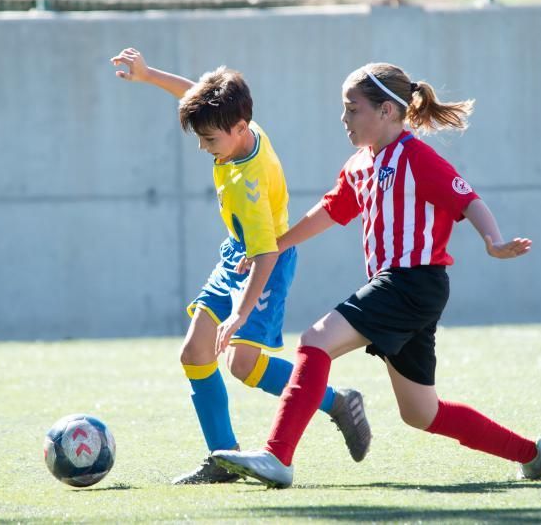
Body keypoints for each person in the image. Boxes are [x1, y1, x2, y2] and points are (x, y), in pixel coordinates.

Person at [212, 62, 541, 488]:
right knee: (421, 412)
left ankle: (277, 457)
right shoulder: (361, 164)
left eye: (352, 109)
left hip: (413, 281)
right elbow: (328, 211)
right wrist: (276, 245)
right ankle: (532, 453)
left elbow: (468, 200)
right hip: (404, 287)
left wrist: (493, 240)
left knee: (315, 340)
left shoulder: (417, 157)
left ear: (386, 111)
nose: (344, 119)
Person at [110, 48, 373, 484]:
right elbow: (195, 93)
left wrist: (240, 313)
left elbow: (267, 253)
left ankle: (337, 402)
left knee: (243, 366)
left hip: (265, 262)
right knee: (195, 352)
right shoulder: (238, 128)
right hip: (237, 253)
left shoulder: (247, 181)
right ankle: (223, 456)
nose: (202, 147)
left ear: (238, 128)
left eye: (209, 140)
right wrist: (149, 74)